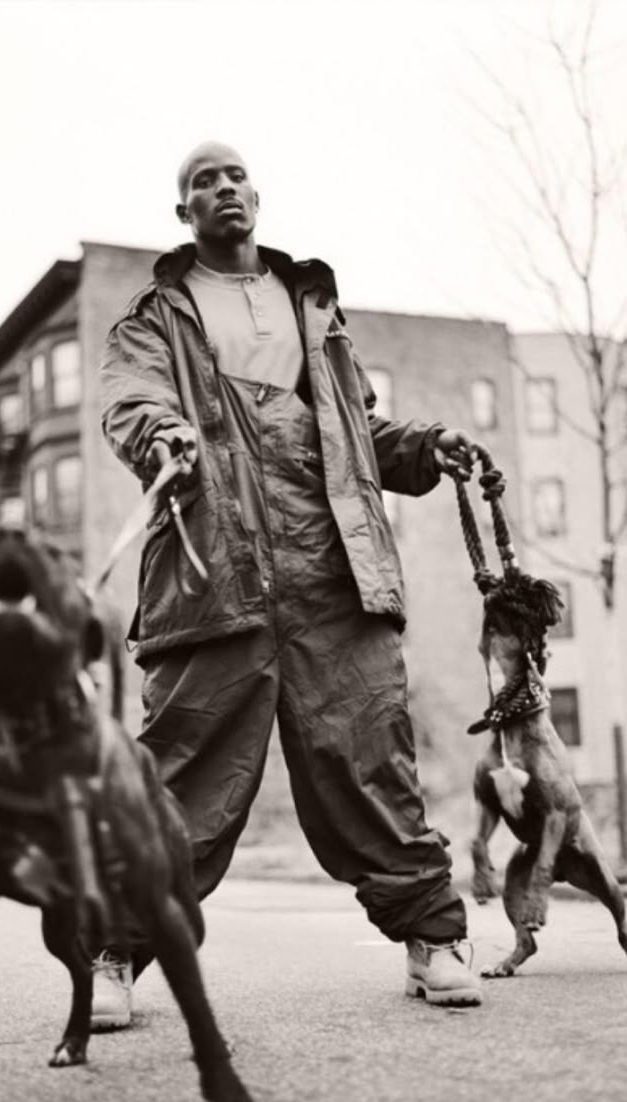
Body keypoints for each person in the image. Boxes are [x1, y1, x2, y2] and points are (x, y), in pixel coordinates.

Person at [95, 141, 484, 1028]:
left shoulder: (313, 309)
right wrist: (162, 434)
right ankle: (113, 950)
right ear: (183, 212)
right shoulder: (156, 316)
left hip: (331, 568)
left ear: (257, 197)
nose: (222, 188)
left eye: (234, 175)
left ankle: (433, 935)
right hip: (214, 569)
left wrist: (425, 448)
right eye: (203, 181)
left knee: (371, 756)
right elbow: (131, 399)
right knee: (182, 770)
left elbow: (357, 431)